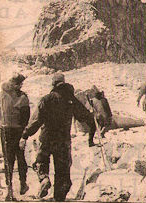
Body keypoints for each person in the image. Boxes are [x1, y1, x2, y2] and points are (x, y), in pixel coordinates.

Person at [19, 73, 96, 201]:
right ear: (64, 83)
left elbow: (36, 121)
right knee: (63, 172)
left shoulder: (46, 99)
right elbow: (84, 117)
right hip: (63, 140)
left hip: (47, 137)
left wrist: (25, 134)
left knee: (40, 161)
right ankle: (59, 198)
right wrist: (92, 118)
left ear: (53, 84)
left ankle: (44, 178)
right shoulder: (71, 100)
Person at [0, 72, 30, 201]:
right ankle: (23, 184)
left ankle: (9, 190)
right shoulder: (23, 97)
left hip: (5, 131)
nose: (21, 86)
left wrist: (2, 125)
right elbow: (26, 116)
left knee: (8, 161)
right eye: (20, 83)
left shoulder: (0, 95)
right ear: (17, 84)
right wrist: (23, 131)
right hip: (18, 131)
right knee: (21, 158)